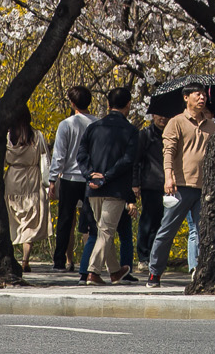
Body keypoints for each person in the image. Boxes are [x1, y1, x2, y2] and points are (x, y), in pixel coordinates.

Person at [145, 81, 215, 285]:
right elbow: (168, 152)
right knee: (167, 230)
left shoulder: (211, 125)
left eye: (204, 94)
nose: (202, 98)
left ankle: (198, 270)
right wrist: (169, 177)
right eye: (197, 94)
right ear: (186, 98)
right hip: (180, 186)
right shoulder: (176, 122)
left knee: (202, 232)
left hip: (205, 187)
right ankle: (155, 271)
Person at [77, 86, 140, 285]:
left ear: (107, 104)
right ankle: (93, 272)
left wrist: (90, 175)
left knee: (104, 229)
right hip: (115, 188)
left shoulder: (94, 127)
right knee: (105, 231)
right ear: (128, 105)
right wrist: (107, 176)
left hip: (93, 188)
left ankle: (114, 271)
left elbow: (81, 155)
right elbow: (128, 160)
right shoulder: (131, 131)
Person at [48, 84, 95, 273]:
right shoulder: (96, 124)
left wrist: (52, 178)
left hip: (69, 178)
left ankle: (60, 261)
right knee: (91, 222)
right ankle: (90, 260)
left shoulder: (66, 124)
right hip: (90, 178)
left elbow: (59, 154)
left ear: (73, 103)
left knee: (65, 221)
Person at [4, 113, 50, 272]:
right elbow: (44, 159)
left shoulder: (8, 137)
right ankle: (25, 259)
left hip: (13, 179)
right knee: (30, 219)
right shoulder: (37, 136)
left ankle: (9, 254)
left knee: (13, 217)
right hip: (32, 178)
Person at [134, 107, 168, 276]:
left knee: (161, 223)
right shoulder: (146, 134)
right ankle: (143, 256)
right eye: (159, 114)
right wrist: (136, 183)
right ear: (153, 115)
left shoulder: (171, 133)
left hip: (167, 184)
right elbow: (137, 160)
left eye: (165, 115)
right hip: (150, 183)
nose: (163, 117)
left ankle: (155, 257)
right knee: (147, 221)